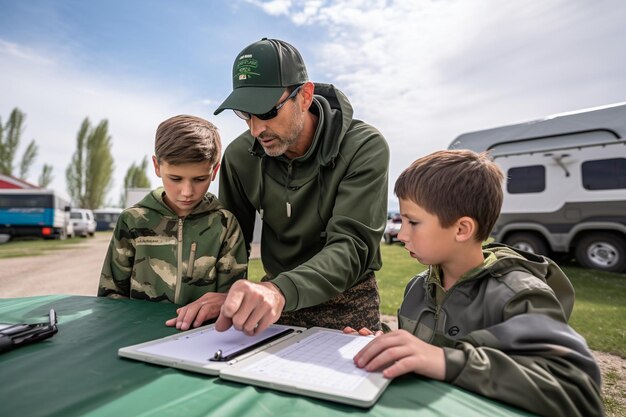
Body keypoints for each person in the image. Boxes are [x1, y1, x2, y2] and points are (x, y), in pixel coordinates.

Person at [346, 150, 604, 417]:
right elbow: (424, 353)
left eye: (413, 222)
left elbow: (577, 391)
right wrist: (386, 345)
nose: (401, 234)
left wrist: (448, 362)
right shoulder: (418, 288)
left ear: (462, 229)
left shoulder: (520, 295)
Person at [212, 38, 389, 335]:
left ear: (305, 96)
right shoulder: (239, 156)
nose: (256, 129)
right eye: (245, 114)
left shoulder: (364, 147)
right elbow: (230, 245)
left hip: (348, 303)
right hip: (272, 301)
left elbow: (352, 247)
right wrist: (225, 296)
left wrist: (280, 291)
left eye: (267, 111)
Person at [98, 115, 248, 331]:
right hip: (136, 333)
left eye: (199, 179)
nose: (187, 192)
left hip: (201, 337)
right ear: (157, 166)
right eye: (175, 178)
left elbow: (230, 299)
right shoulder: (132, 221)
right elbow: (109, 296)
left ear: (214, 171)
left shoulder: (224, 225)